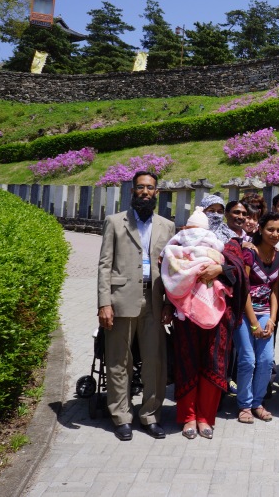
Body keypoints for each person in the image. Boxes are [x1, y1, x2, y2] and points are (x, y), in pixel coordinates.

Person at [97, 170, 175, 441]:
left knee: (154, 361)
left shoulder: (167, 225)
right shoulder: (115, 222)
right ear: (132, 191)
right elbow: (104, 264)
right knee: (119, 361)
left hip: (154, 299)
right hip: (121, 300)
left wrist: (169, 303)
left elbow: (170, 268)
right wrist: (104, 303)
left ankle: (150, 415)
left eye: (149, 188)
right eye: (140, 187)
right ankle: (121, 416)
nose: (145, 192)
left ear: (157, 193)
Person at [163, 207, 248, 440]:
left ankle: (205, 418)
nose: (215, 214)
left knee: (213, 364)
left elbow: (239, 271)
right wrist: (168, 305)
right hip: (186, 317)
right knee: (187, 363)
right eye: (212, 210)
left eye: (220, 210)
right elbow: (168, 276)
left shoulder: (228, 242)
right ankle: (188, 416)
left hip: (218, 318)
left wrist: (220, 268)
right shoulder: (177, 244)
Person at [232, 212, 279, 424]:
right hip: (244, 313)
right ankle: (244, 404)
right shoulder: (249, 254)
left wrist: (271, 320)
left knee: (266, 360)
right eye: (270, 229)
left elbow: (275, 291)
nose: (275, 234)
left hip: (265, 314)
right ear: (260, 229)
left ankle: (257, 403)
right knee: (248, 360)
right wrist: (253, 324)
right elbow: (242, 289)